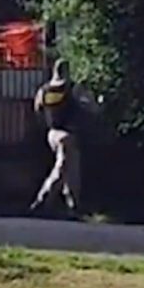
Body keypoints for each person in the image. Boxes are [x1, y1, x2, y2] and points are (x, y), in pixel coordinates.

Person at [30, 58, 81, 217]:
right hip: (66, 134)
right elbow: (87, 106)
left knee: (70, 168)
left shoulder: (44, 90)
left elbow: (37, 109)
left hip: (52, 133)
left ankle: (72, 204)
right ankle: (43, 198)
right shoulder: (71, 88)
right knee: (63, 167)